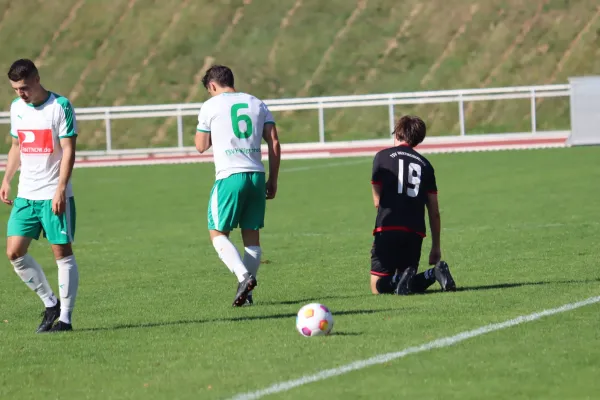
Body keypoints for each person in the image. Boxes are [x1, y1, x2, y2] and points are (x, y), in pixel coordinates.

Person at [1, 59, 79, 332]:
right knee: (14, 252)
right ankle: (50, 303)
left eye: (23, 87)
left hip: (53, 194)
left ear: (36, 79)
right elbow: (15, 145)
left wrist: (60, 189)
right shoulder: (16, 108)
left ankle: (66, 319)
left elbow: (68, 150)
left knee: (61, 253)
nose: (20, 93)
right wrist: (7, 179)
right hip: (26, 194)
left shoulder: (60, 107)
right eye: (15, 89)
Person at [195, 65, 281, 307]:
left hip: (230, 176)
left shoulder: (210, 105)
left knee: (217, 233)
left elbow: (201, 145)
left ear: (212, 86)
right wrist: (273, 179)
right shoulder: (257, 102)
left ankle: (244, 277)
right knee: (252, 237)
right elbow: (273, 141)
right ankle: (248, 294)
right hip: (256, 175)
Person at [370, 115, 456, 295]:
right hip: (415, 232)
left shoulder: (382, 157)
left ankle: (396, 279)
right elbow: (434, 211)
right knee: (406, 286)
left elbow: (377, 201)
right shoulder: (426, 165)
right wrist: (436, 247)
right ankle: (433, 273)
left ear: (397, 133)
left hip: (388, 227)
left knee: (377, 287)